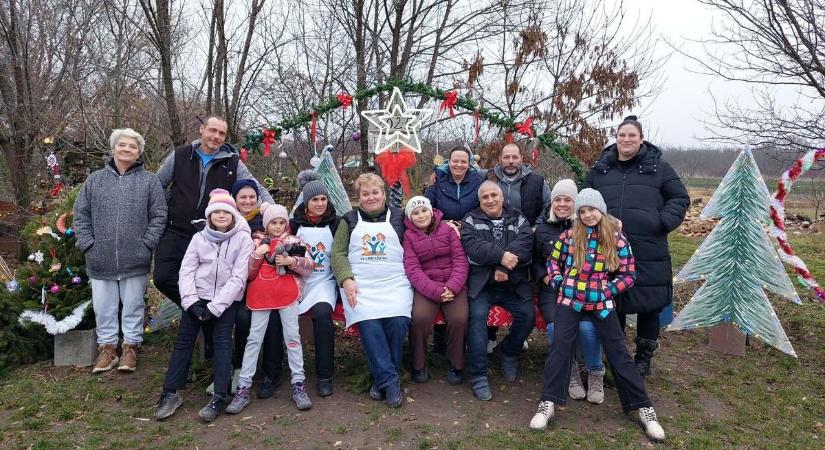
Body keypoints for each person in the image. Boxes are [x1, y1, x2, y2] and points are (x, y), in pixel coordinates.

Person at [529, 188, 665, 443]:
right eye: (582, 211)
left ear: (601, 210)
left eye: (591, 209)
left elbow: (629, 274)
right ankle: (548, 402)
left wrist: (609, 289)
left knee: (618, 352)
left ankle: (643, 407)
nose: (587, 215)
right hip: (569, 300)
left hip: (601, 303)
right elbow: (552, 262)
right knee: (559, 348)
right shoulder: (569, 236)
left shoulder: (616, 238)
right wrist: (558, 281)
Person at [585, 115, 689, 376]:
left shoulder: (658, 167)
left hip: (648, 247)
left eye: (632, 135)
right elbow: (585, 198)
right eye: (622, 135)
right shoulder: (601, 168)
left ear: (641, 139)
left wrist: (661, 222)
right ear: (616, 138)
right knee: (614, 301)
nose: (626, 139)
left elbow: (679, 197)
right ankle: (617, 355)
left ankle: (643, 358)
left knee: (649, 304)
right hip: (608, 247)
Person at [154, 189, 253, 423]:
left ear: (233, 215)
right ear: (209, 216)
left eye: (226, 212)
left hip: (225, 301)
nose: (221, 216)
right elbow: (187, 271)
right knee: (183, 341)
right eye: (216, 212)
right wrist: (192, 302)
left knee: (222, 341)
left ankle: (219, 395)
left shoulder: (243, 239)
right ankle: (170, 392)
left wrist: (215, 307)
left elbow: (239, 277)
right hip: (198, 298)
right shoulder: (199, 238)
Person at [73, 128, 167, 373]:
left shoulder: (149, 181)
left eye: (132, 146)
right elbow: (80, 214)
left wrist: (147, 244)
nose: (127, 149)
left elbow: (159, 215)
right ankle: (108, 349)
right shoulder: (95, 180)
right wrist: (87, 244)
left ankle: (131, 347)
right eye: (122, 145)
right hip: (99, 257)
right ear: (113, 148)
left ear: (139, 152)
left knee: (133, 305)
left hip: (135, 257)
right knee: (103, 307)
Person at [153, 116, 273, 309]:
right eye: (212, 130)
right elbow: (157, 185)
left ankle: (204, 316)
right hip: (175, 231)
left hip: (209, 236)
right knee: (163, 277)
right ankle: (196, 311)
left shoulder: (232, 163)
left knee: (207, 283)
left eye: (221, 133)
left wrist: (273, 212)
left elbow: (256, 188)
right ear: (202, 129)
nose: (216, 136)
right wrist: (168, 203)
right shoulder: (181, 155)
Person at [331, 173, 412, 408]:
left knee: (398, 321)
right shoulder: (348, 220)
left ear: (383, 194)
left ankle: (381, 380)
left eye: (375, 192)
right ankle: (390, 381)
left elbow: (419, 237)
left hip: (395, 283)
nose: (371, 197)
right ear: (359, 197)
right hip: (361, 285)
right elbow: (338, 253)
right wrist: (346, 279)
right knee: (369, 322)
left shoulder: (399, 217)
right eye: (365, 194)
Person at [227, 203, 314, 413]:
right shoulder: (256, 241)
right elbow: (248, 273)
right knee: (254, 339)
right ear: (267, 224)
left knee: (292, 338)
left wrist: (291, 261)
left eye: (281, 222)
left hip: (287, 294)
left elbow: (310, 266)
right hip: (261, 296)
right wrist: (257, 255)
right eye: (273, 222)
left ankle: (298, 383)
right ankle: (243, 387)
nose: (277, 226)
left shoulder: (295, 241)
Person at [533, 179, 605, 404]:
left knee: (586, 327)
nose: (562, 204)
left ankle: (595, 371)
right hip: (552, 290)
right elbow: (534, 260)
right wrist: (544, 276)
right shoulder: (542, 229)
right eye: (558, 200)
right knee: (556, 327)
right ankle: (570, 371)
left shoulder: (587, 228)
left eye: (568, 200)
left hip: (584, 291)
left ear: (576, 203)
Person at [461, 181, 534, 401]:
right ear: (479, 201)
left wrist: (504, 268)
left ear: (502, 197)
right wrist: (501, 257)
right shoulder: (470, 220)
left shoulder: (518, 218)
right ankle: (478, 374)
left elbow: (526, 244)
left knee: (527, 315)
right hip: (482, 285)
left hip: (513, 283)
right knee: (476, 318)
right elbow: (473, 247)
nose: (490, 200)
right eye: (485, 197)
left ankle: (508, 352)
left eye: (494, 195)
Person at [484, 143, 551, 353]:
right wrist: (438, 171)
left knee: (521, 291)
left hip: (524, 244)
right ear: (500, 159)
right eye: (507, 157)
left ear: (522, 158)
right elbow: (461, 168)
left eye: (515, 157)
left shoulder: (537, 181)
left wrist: (536, 227)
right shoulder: (488, 178)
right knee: (494, 286)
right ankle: (490, 335)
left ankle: (517, 334)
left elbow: (548, 206)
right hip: (495, 242)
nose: (511, 161)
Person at [402, 196, 469, 384]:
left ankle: (456, 364)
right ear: (410, 217)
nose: (421, 215)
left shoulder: (447, 229)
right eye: (415, 213)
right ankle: (419, 364)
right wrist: (435, 291)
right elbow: (412, 269)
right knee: (420, 318)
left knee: (459, 319)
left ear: (431, 212)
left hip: (453, 284)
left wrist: (453, 287)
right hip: (427, 286)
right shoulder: (409, 236)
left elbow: (460, 260)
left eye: (424, 210)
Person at [228, 179, 283, 399]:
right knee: (242, 318)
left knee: (274, 319)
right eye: (243, 197)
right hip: (236, 286)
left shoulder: (266, 222)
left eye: (252, 197)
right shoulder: (227, 220)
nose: (248, 201)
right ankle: (239, 369)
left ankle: (272, 373)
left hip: (265, 283)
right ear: (235, 199)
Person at [290, 180, 341, 397]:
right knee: (278, 314)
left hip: (324, 281)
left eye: (323, 199)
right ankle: (274, 373)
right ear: (306, 202)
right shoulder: (294, 224)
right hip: (298, 280)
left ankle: (324, 376)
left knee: (322, 314)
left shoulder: (336, 223)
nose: (320, 204)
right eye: (314, 200)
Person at [424, 146, 485, 222]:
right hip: (443, 226)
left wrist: (469, 224)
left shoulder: (478, 181)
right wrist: (442, 224)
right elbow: (426, 208)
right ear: (449, 162)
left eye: (463, 162)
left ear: (469, 164)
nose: (459, 165)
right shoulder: (436, 180)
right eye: (455, 161)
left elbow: (484, 208)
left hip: (471, 226)